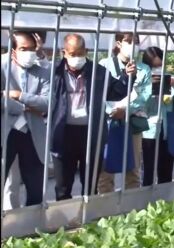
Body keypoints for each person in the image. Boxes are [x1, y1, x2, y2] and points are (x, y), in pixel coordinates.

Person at [50, 33, 136, 201]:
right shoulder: (55, 72)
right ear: (64, 52)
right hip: (63, 132)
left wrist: (127, 76)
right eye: (72, 54)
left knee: (89, 182)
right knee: (62, 184)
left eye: (80, 53)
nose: (77, 57)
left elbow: (117, 92)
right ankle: (62, 221)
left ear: (87, 51)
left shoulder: (98, 72)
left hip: (91, 133)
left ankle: (87, 219)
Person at [97, 32, 151, 193]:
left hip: (132, 122)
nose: (133, 46)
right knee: (106, 169)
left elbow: (145, 96)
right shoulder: (105, 64)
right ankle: (105, 209)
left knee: (133, 169)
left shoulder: (143, 69)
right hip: (109, 122)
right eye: (129, 41)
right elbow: (101, 92)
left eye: (136, 42)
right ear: (119, 44)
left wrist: (126, 110)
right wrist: (113, 111)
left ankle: (131, 210)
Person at [1, 31, 50, 206]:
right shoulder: (2, 67)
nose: (28, 53)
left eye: (31, 49)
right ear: (13, 51)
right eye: (23, 48)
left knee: (35, 185)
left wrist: (18, 95)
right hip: (7, 131)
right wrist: (24, 108)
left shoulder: (43, 72)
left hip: (33, 134)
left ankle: (33, 228)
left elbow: (47, 103)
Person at [140, 46, 174, 186]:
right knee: (148, 171)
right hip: (149, 133)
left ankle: (164, 202)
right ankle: (147, 203)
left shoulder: (171, 79)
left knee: (166, 171)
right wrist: (150, 88)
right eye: (153, 66)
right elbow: (140, 106)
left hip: (167, 132)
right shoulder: (141, 82)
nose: (157, 69)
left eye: (160, 65)